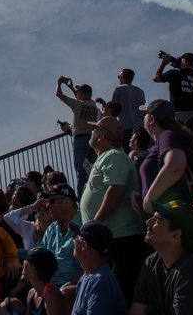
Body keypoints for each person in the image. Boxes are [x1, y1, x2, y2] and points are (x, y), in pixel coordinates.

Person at [80, 116, 147, 302]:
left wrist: (94, 225)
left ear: (101, 135)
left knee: (122, 295)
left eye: (94, 130)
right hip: (113, 241)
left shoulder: (114, 156)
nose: (91, 133)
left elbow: (116, 190)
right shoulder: (107, 157)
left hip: (122, 241)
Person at [130, 199, 193, 315]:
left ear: (175, 234)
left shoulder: (192, 272)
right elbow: (137, 311)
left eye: (157, 221)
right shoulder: (151, 263)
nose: (148, 222)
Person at [136, 99, 193, 213]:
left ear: (152, 119)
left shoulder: (167, 136)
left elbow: (176, 164)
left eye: (145, 114)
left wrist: (150, 197)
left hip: (172, 219)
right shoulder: (167, 139)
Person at [38, 184, 83, 303]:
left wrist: (70, 285)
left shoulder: (85, 225)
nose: (48, 205)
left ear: (67, 202)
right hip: (51, 290)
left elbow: (93, 263)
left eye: (52, 201)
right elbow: (40, 260)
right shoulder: (51, 229)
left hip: (78, 290)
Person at [70, 221, 127, 315]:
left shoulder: (100, 283)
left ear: (84, 245)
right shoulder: (85, 278)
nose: (73, 240)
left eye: (76, 236)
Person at [56, 76, 99, 198]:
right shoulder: (93, 105)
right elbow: (81, 99)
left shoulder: (77, 105)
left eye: (79, 91)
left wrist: (59, 83)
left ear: (85, 94)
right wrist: (71, 87)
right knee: (90, 168)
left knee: (81, 170)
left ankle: (82, 198)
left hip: (80, 140)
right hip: (91, 140)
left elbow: (59, 95)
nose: (78, 93)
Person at [152, 52, 193, 128]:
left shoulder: (174, 73)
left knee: (182, 137)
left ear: (184, 60)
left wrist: (163, 63)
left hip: (180, 111)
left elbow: (156, 78)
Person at [18, 247, 65, 315]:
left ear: (32, 268)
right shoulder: (31, 293)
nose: (23, 262)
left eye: (26, 259)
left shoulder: (52, 295)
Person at [111, 69, 146, 146]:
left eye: (119, 76)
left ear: (122, 77)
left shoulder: (118, 89)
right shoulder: (140, 91)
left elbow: (113, 109)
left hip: (126, 126)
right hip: (140, 126)